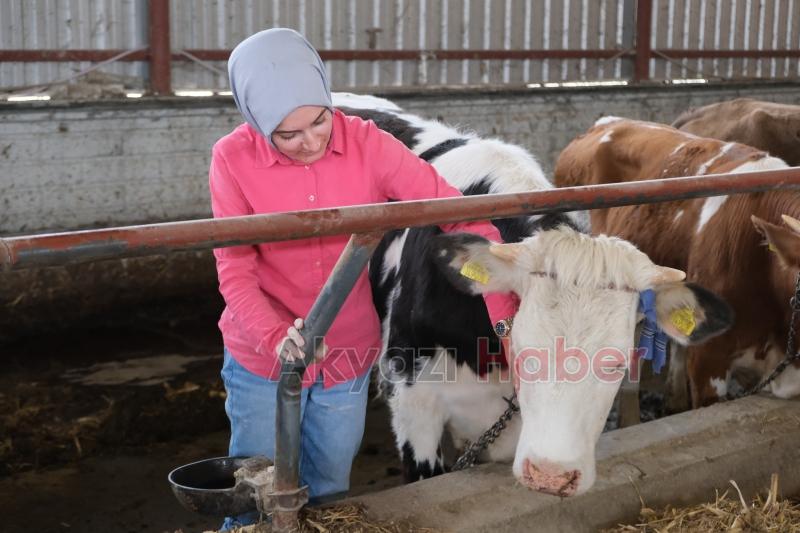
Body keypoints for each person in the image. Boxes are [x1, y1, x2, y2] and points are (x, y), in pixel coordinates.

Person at [210, 27, 518, 529]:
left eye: (318, 121)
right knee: (255, 490)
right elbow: (235, 267)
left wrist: (504, 317)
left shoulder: (368, 143)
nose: (309, 141)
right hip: (260, 354)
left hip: (346, 351)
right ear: (254, 117)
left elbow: (460, 216)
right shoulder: (231, 158)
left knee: (329, 488)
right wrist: (272, 336)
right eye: (287, 134)